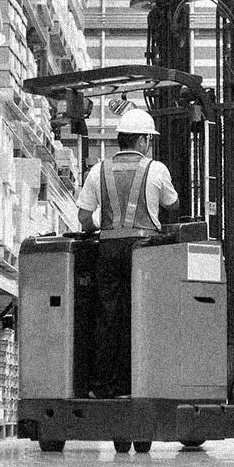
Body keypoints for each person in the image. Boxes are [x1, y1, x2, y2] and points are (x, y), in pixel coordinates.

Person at [73, 106, 180, 397]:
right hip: (144, 253)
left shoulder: (98, 170)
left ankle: (103, 385)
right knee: (144, 315)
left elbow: (83, 218)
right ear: (143, 139)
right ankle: (140, 383)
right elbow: (172, 204)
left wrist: (99, 226)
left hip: (108, 251)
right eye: (149, 140)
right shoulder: (156, 169)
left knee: (108, 316)